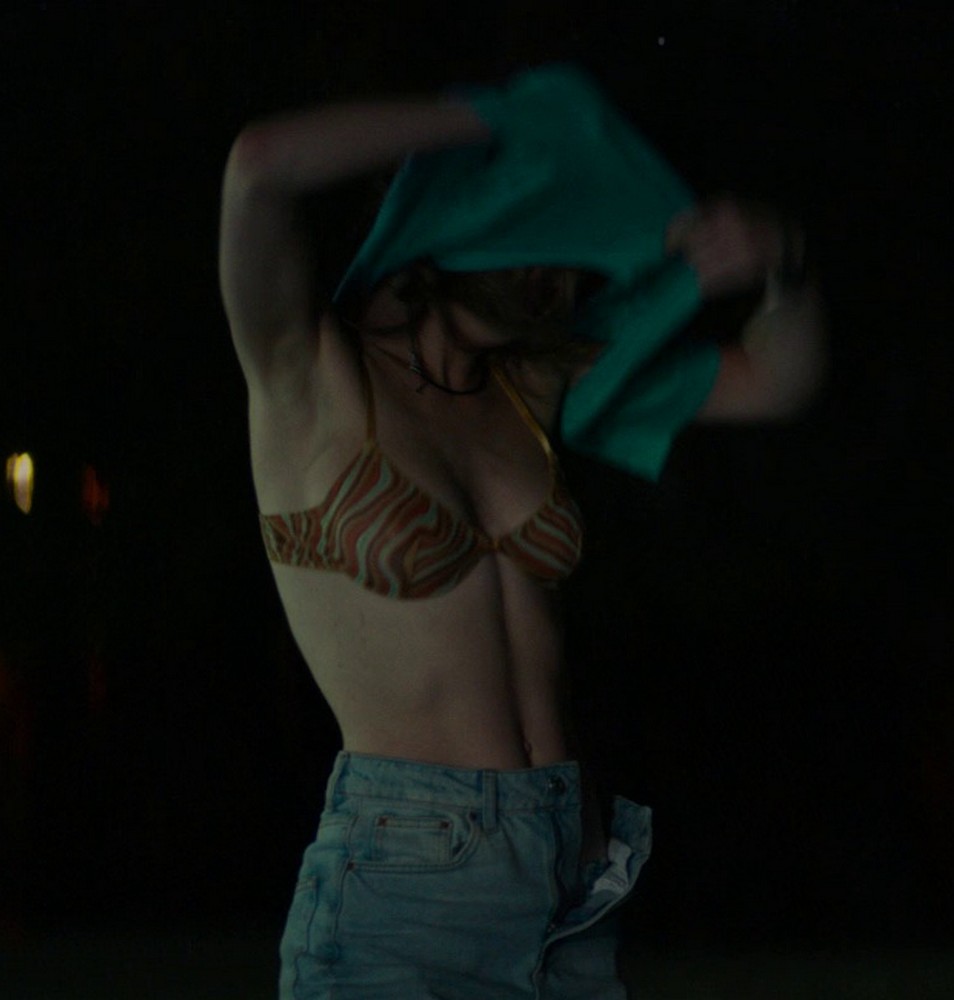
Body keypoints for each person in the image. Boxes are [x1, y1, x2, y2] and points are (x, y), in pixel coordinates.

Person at [218, 66, 825, 1000]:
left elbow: (781, 382)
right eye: (539, 237)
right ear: (467, 214)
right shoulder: (306, 367)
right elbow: (261, 165)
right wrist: (494, 125)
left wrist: (785, 258)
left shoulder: (533, 391)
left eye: (573, 251)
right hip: (407, 880)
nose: (558, 280)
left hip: (574, 879)